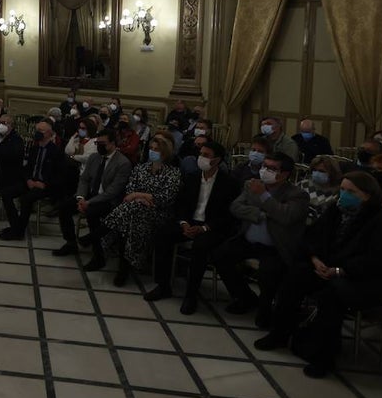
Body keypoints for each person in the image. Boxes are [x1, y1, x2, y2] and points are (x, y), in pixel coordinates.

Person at [254, 171, 382, 378]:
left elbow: (378, 260)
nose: (344, 195)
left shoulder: (381, 221)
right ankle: (280, 333)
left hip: (361, 278)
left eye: (351, 191)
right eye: (342, 189)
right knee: (295, 276)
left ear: (367, 195)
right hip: (327, 267)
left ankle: (323, 357)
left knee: (331, 297)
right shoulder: (336, 210)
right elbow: (313, 237)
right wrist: (315, 259)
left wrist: (340, 271)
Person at [213, 152, 310, 328]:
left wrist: (264, 196)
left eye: (272, 168)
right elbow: (235, 207)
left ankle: (266, 310)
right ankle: (245, 297)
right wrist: (259, 214)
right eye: (264, 166)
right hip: (249, 240)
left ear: (285, 174)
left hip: (275, 246)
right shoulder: (252, 185)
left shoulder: (297, 194)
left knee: (268, 272)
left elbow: (286, 216)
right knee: (220, 255)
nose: (265, 171)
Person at [145, 140, 241, 313]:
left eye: (206, 155)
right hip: (189, 222)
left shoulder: (229, 183)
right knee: (162, 235)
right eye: (201, 154)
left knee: (200, 247)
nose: (201, 158)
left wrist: (204, 228)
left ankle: (191, 294)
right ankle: (163, 285)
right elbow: (180, 204)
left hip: (211, 227)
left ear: (217, 160)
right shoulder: (192, 177)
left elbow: (228, 215)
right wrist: (183, 222)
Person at [100, 134, 183, 286]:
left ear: (164, 152)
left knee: (133, 212)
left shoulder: (173, 173)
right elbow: (129, 190)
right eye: (151, 148)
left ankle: (107, 229)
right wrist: (139, 198)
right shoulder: (140, 168)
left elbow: (166, 197)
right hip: (135, 211)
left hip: (159, 213)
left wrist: (139, 195)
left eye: (156, 149)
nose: (152, 151)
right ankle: (126, 266)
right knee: (134, 217)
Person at [53, 128, 133, 271]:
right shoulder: (94, 158)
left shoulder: (123, 163)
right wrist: (80, 198)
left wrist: (88, 203)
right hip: (89, 195)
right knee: (63, 207)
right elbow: (84, 180)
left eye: (103, 143)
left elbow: (113, 191)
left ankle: (98, 257)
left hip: (108, 201)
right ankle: (71, 243)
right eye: (97, 143)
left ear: (113, 143)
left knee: (92, 214)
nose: (99, 146)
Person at [0, 120, 64, 241]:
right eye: (36, 130)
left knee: (26, 199)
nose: (37, 133)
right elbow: (27, 168)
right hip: (30, 181)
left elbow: (59, 175)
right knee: (6, 193)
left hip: (44, 185)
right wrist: (28, 179)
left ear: (49, 133)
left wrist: (44, 184)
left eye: (41, 131)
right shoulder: (35, 148)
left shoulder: (56, 152)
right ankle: (16, 226)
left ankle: (19, 231)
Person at [299, 154, 342, 222]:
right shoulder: (304, 184)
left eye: (321, 171)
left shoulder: (339, 193)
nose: (317, 173)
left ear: (332, 173)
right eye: (315, 170)